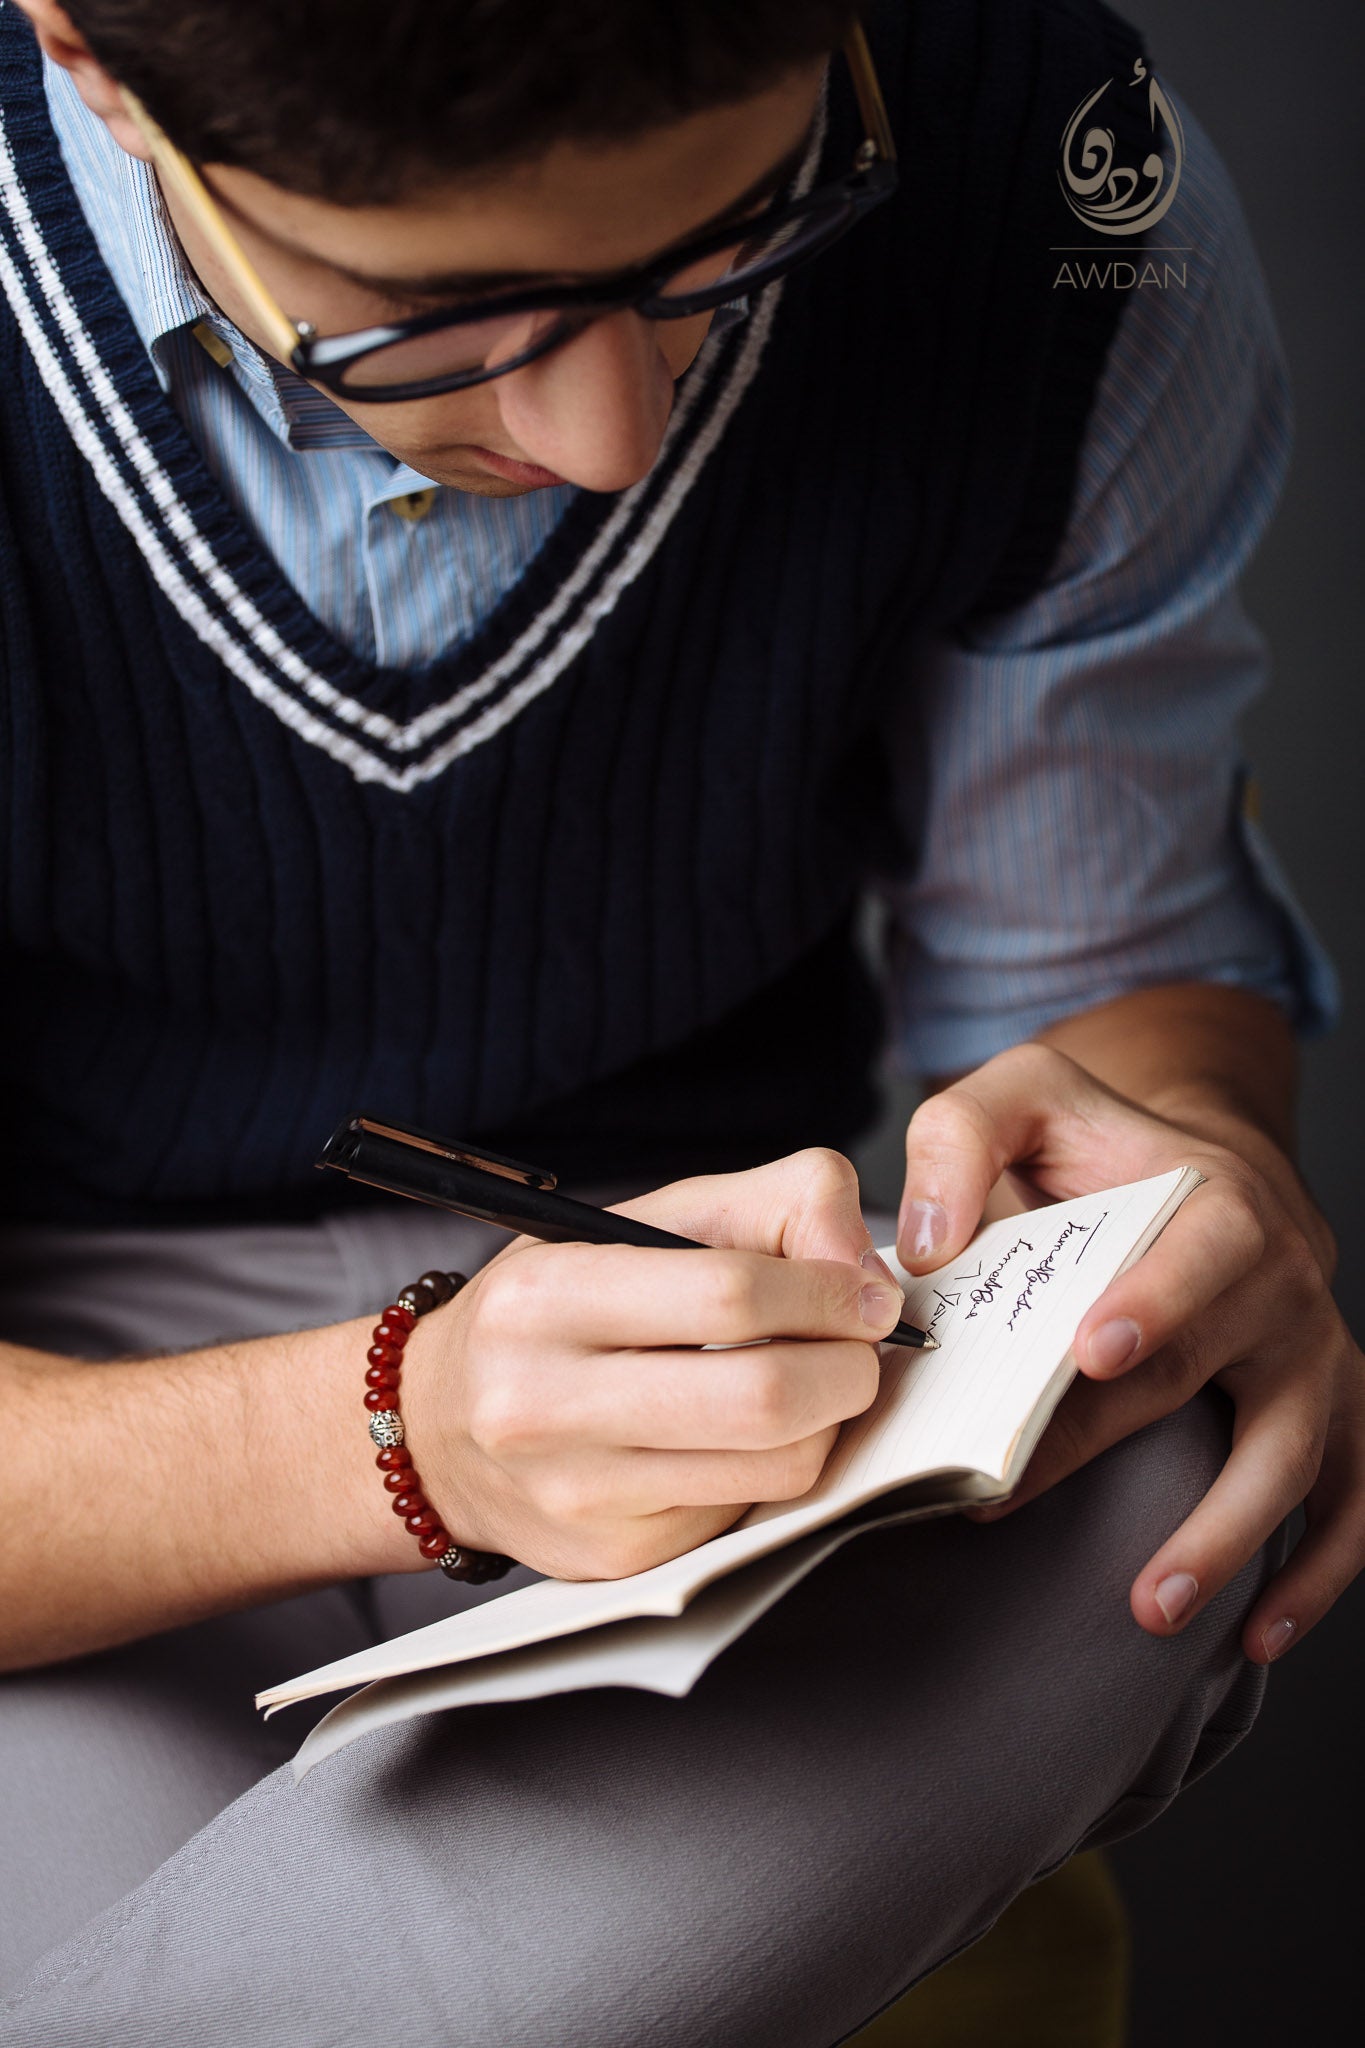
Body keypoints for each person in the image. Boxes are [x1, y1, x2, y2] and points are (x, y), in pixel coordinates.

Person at [0, 0, 1359, 2040]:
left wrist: (1181, 1146)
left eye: (742, 234)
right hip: (70, 1418)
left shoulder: (1052, 168)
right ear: (89, 58)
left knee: (1150, 1442)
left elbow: (1112, 958)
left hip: (769, 1357)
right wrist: (404, 1431)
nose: (608, 440)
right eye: (434, 317)